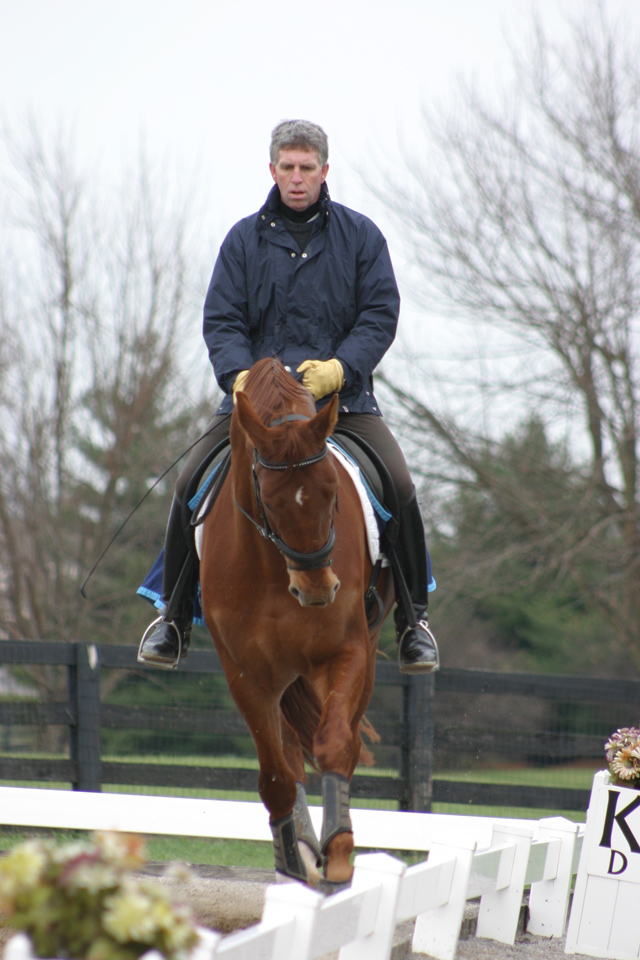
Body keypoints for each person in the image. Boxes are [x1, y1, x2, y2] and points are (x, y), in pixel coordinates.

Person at [138, 119, 439, 674]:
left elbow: (380, 314)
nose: (296, 178)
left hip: (339, 408)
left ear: (325, 171)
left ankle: (413, 622)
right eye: (287, 167)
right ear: (271, 169)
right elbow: (222, 319)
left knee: (398, 483)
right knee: (187, 484)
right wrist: (238, 376)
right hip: (257, 412)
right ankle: (174, 618)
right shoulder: (241, 240)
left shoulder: (362, 236)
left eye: (307, 168)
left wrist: (341, 369)